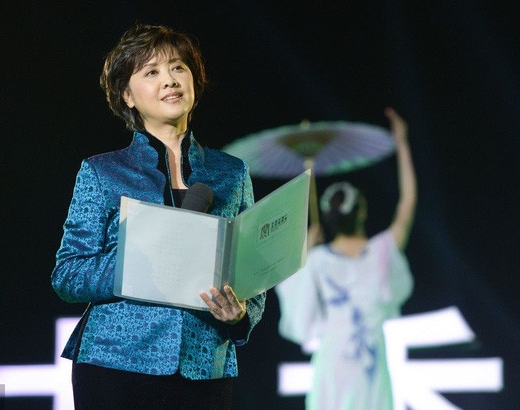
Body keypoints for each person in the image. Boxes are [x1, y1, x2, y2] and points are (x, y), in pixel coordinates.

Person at [51, 24, 265, 409]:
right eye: (151, 72)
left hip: (206, 365)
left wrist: (241, 314)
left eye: (178, 67)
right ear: (127, 96)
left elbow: (254, 269)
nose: (170, 80)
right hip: (116, 363)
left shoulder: (232, 173)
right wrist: (133, 262)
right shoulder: (102, 172)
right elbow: (68, 274)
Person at [275, 108, 416, 410]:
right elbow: (407, 203)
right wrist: (402, 144)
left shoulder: (316, 260)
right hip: (371, 364)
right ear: (361, 211)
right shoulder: (382, 251)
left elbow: (289, 290)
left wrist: (304, 247)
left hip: (333, 363)